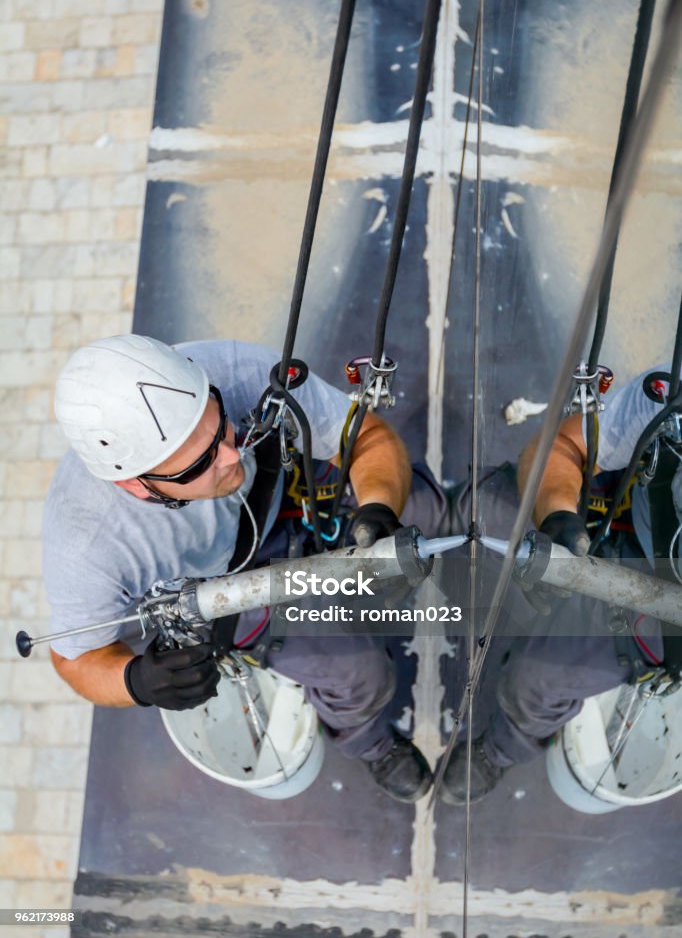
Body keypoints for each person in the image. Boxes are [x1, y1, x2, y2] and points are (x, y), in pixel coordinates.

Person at [44, 334, 449, 802]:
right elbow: (74, 659)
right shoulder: (88, 544)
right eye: (199, 462)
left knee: (425, 507)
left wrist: (378, 511)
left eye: (220, 427)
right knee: (358, 673)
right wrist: (136, 680)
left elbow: (366, 437)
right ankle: (369, 742)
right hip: (227, 589)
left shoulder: (234, 370)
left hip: (281, 497)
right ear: (137, 486)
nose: (233, 455)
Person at [441, 364, 675, 805]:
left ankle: (502, 748)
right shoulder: (670, 403)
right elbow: (566, 444)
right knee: (483, 506)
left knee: (540, 680)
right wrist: (559, 519)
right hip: (614, 527)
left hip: (655, 628)